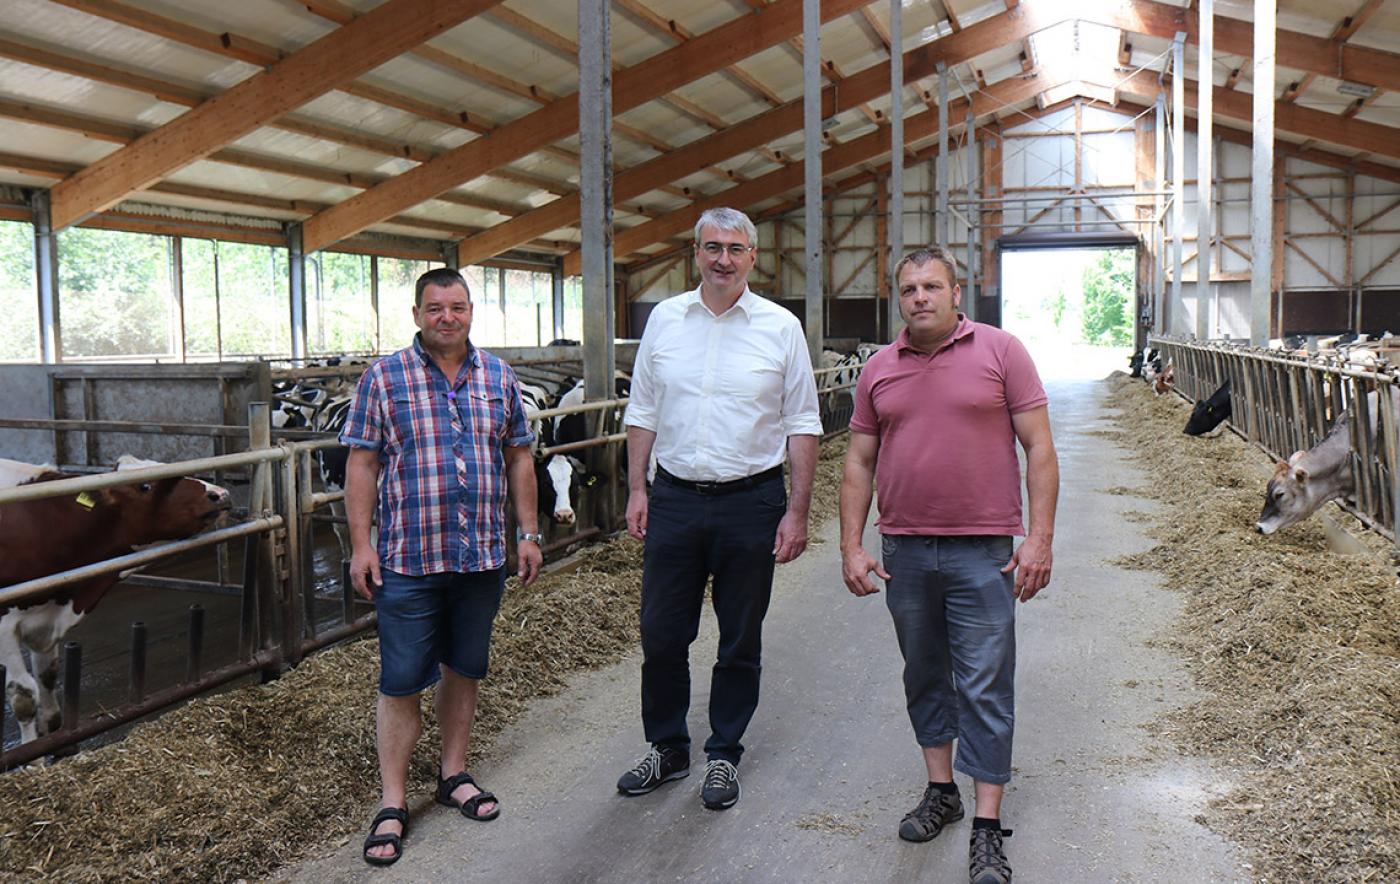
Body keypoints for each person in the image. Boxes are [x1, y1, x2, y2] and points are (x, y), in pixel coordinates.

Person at [839, 247, 1058, 884]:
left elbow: (1040, 448)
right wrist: (851, 544)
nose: (920, 298)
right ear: (898, 297)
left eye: (932, 286)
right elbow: (858, 460)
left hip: (984, 549)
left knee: (985, 683)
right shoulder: (879, 368)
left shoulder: (1001, 351)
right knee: (924, 674)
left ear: (956, 292)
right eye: (909, 289)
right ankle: (942, 791)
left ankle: (988, 826)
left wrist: (1039, 538)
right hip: (904, 548)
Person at [618, 206, 823, 810]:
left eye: (735, 249)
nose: (723, 259)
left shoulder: (780, 327)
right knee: (661, 633)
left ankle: (724, 753)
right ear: (696, 253)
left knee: (739, 636)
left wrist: (797, 512)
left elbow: (803, 422)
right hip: (675, 497)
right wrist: (637, 489)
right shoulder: (665, 319)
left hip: (751, 501)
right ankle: (668, 748)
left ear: (752, 257)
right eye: (713, 247)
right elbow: (643, 410)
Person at [340, 267, 544, 866]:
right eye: (435, 308)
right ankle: (393, 801)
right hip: (408, 558)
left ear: (471, 311)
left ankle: (453, 774)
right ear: (417, 314)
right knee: (401, 679)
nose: (447, 318)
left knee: (464, 667)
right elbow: (362, 464)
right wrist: (361, 544)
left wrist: (528, 533)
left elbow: (519, 456)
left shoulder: (499, 376)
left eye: (457, 307)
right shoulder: (384, 377)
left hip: (480, 555)